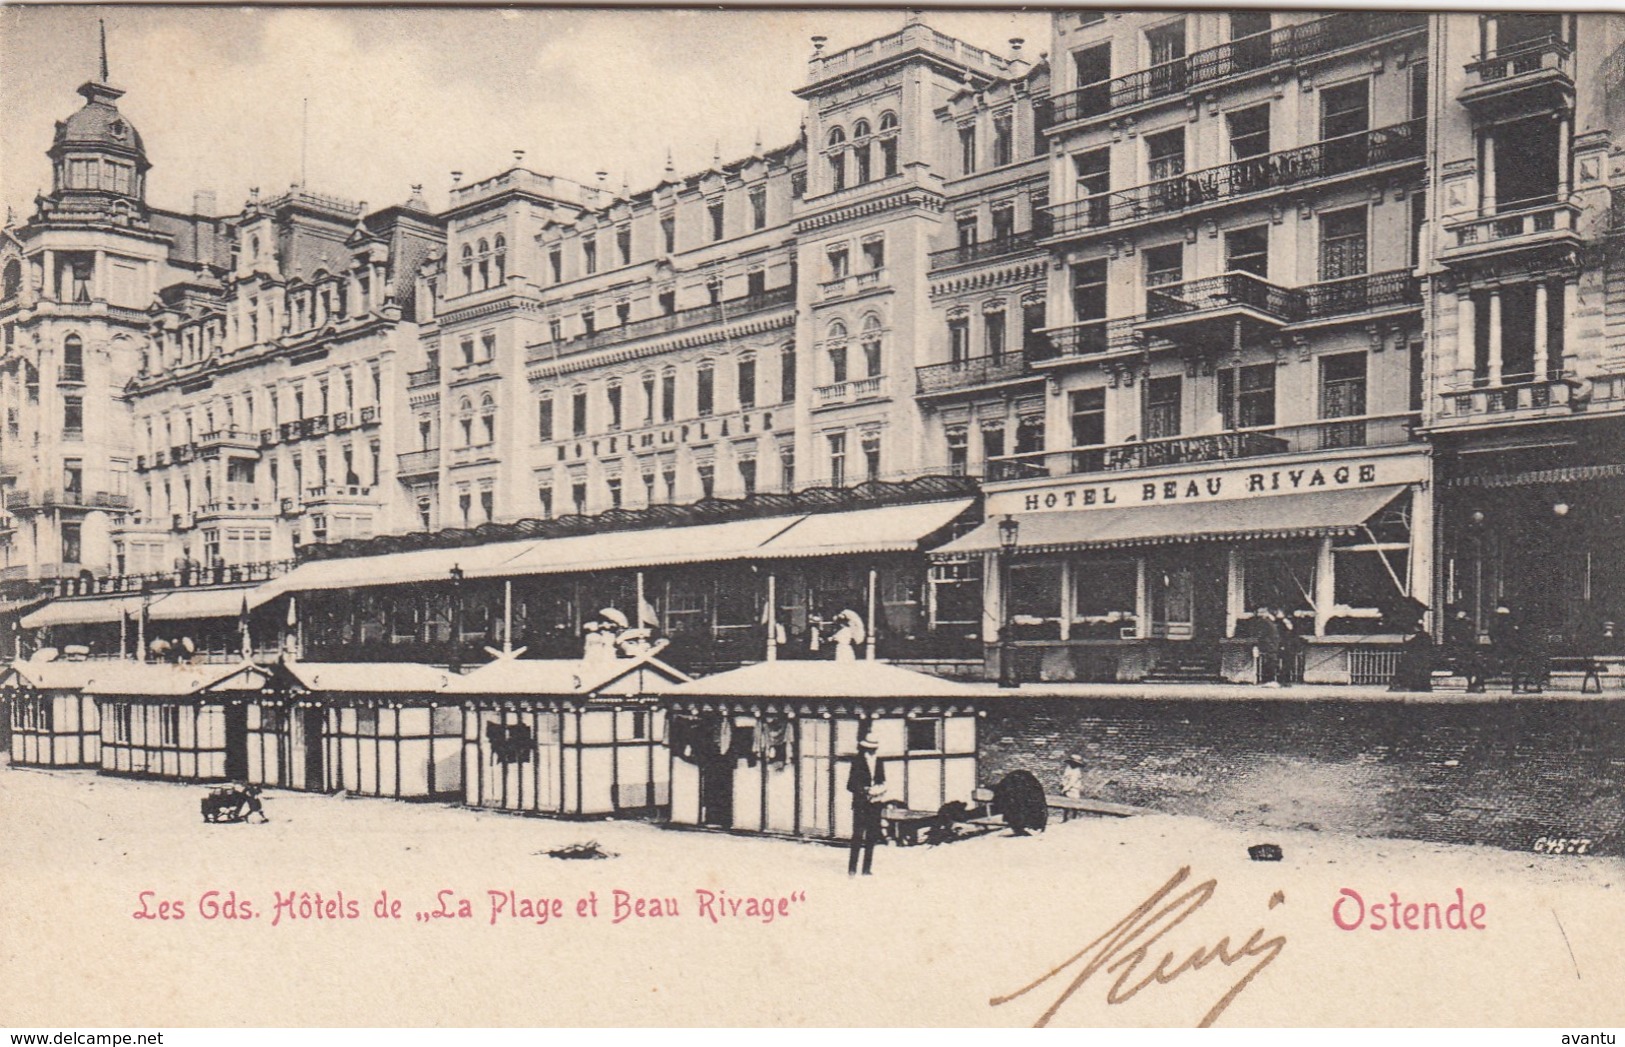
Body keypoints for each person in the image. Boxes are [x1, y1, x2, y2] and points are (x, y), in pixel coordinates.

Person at [846, 737, 886, 876]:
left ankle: (866, 869)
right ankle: (852, 869)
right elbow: (850, 785)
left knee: (872, 836)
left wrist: (880, 789)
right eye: (871, 749)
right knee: (857, 835)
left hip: (875, 804)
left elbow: (882, 780)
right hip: (861, 804)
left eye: (875, 748)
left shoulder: (879, 762)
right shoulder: (857, 762)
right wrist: (864, 790)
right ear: (865, 749)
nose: (873, 751)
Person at [1389, 622, 1434, 692]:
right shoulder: (1426, 636)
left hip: (1416, 658)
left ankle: (1414, 686)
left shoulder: (1417, 637)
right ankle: (1424, 687)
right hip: (1424, 658)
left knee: (1414, 672)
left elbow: (1409, 645)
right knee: (1422, 673)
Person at [1250, 605, 1283, 687]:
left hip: (1273, 645)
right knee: (1270, 661)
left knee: (1272, 661)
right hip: (1269, 645)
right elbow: (1262, 635)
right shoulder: (1266, 622)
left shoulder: (1272, 622)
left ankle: (1272, 679)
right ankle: (1269, 679)